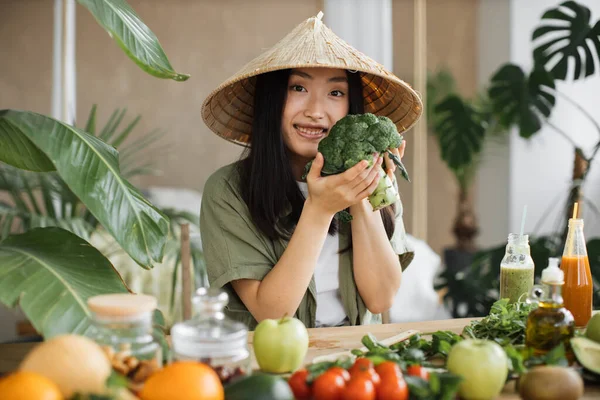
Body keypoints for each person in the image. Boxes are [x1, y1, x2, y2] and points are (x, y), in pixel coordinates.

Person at [199, 12, 423, 330]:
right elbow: (272, 315)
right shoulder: (228, 190)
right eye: (298, 88)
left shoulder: (377, 178)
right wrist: (319, 210)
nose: (315, 111)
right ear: (271, 100)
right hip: (268, 365)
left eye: (336, 93)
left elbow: (381, 298)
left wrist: (365, 192)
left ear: (351, 107)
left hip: (355, 364)